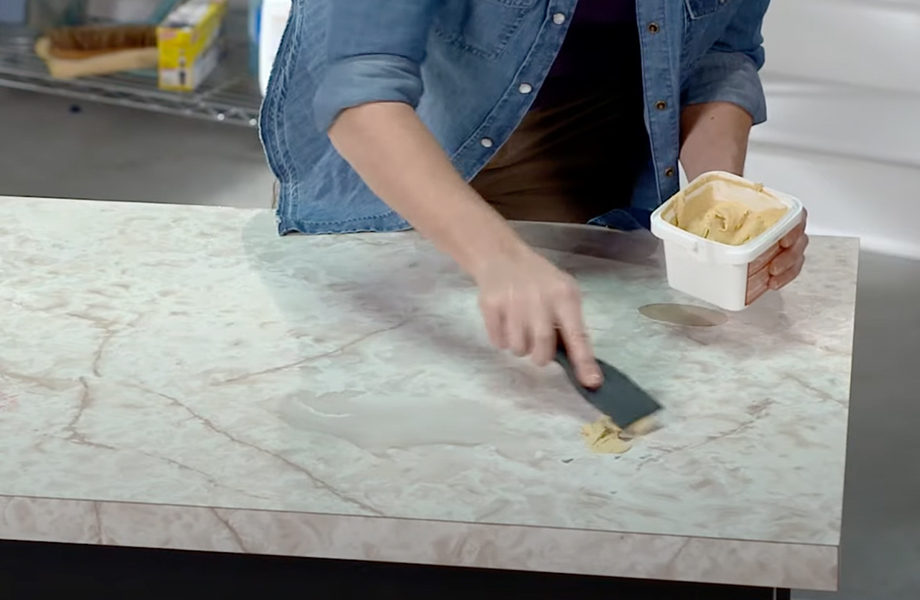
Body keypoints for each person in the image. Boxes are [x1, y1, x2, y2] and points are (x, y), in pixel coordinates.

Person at [259, 0, 809, 389]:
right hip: (405, 197)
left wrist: (725, 213)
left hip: (606, 207)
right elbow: (360, 89)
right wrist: (498, 258)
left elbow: (722, 55)